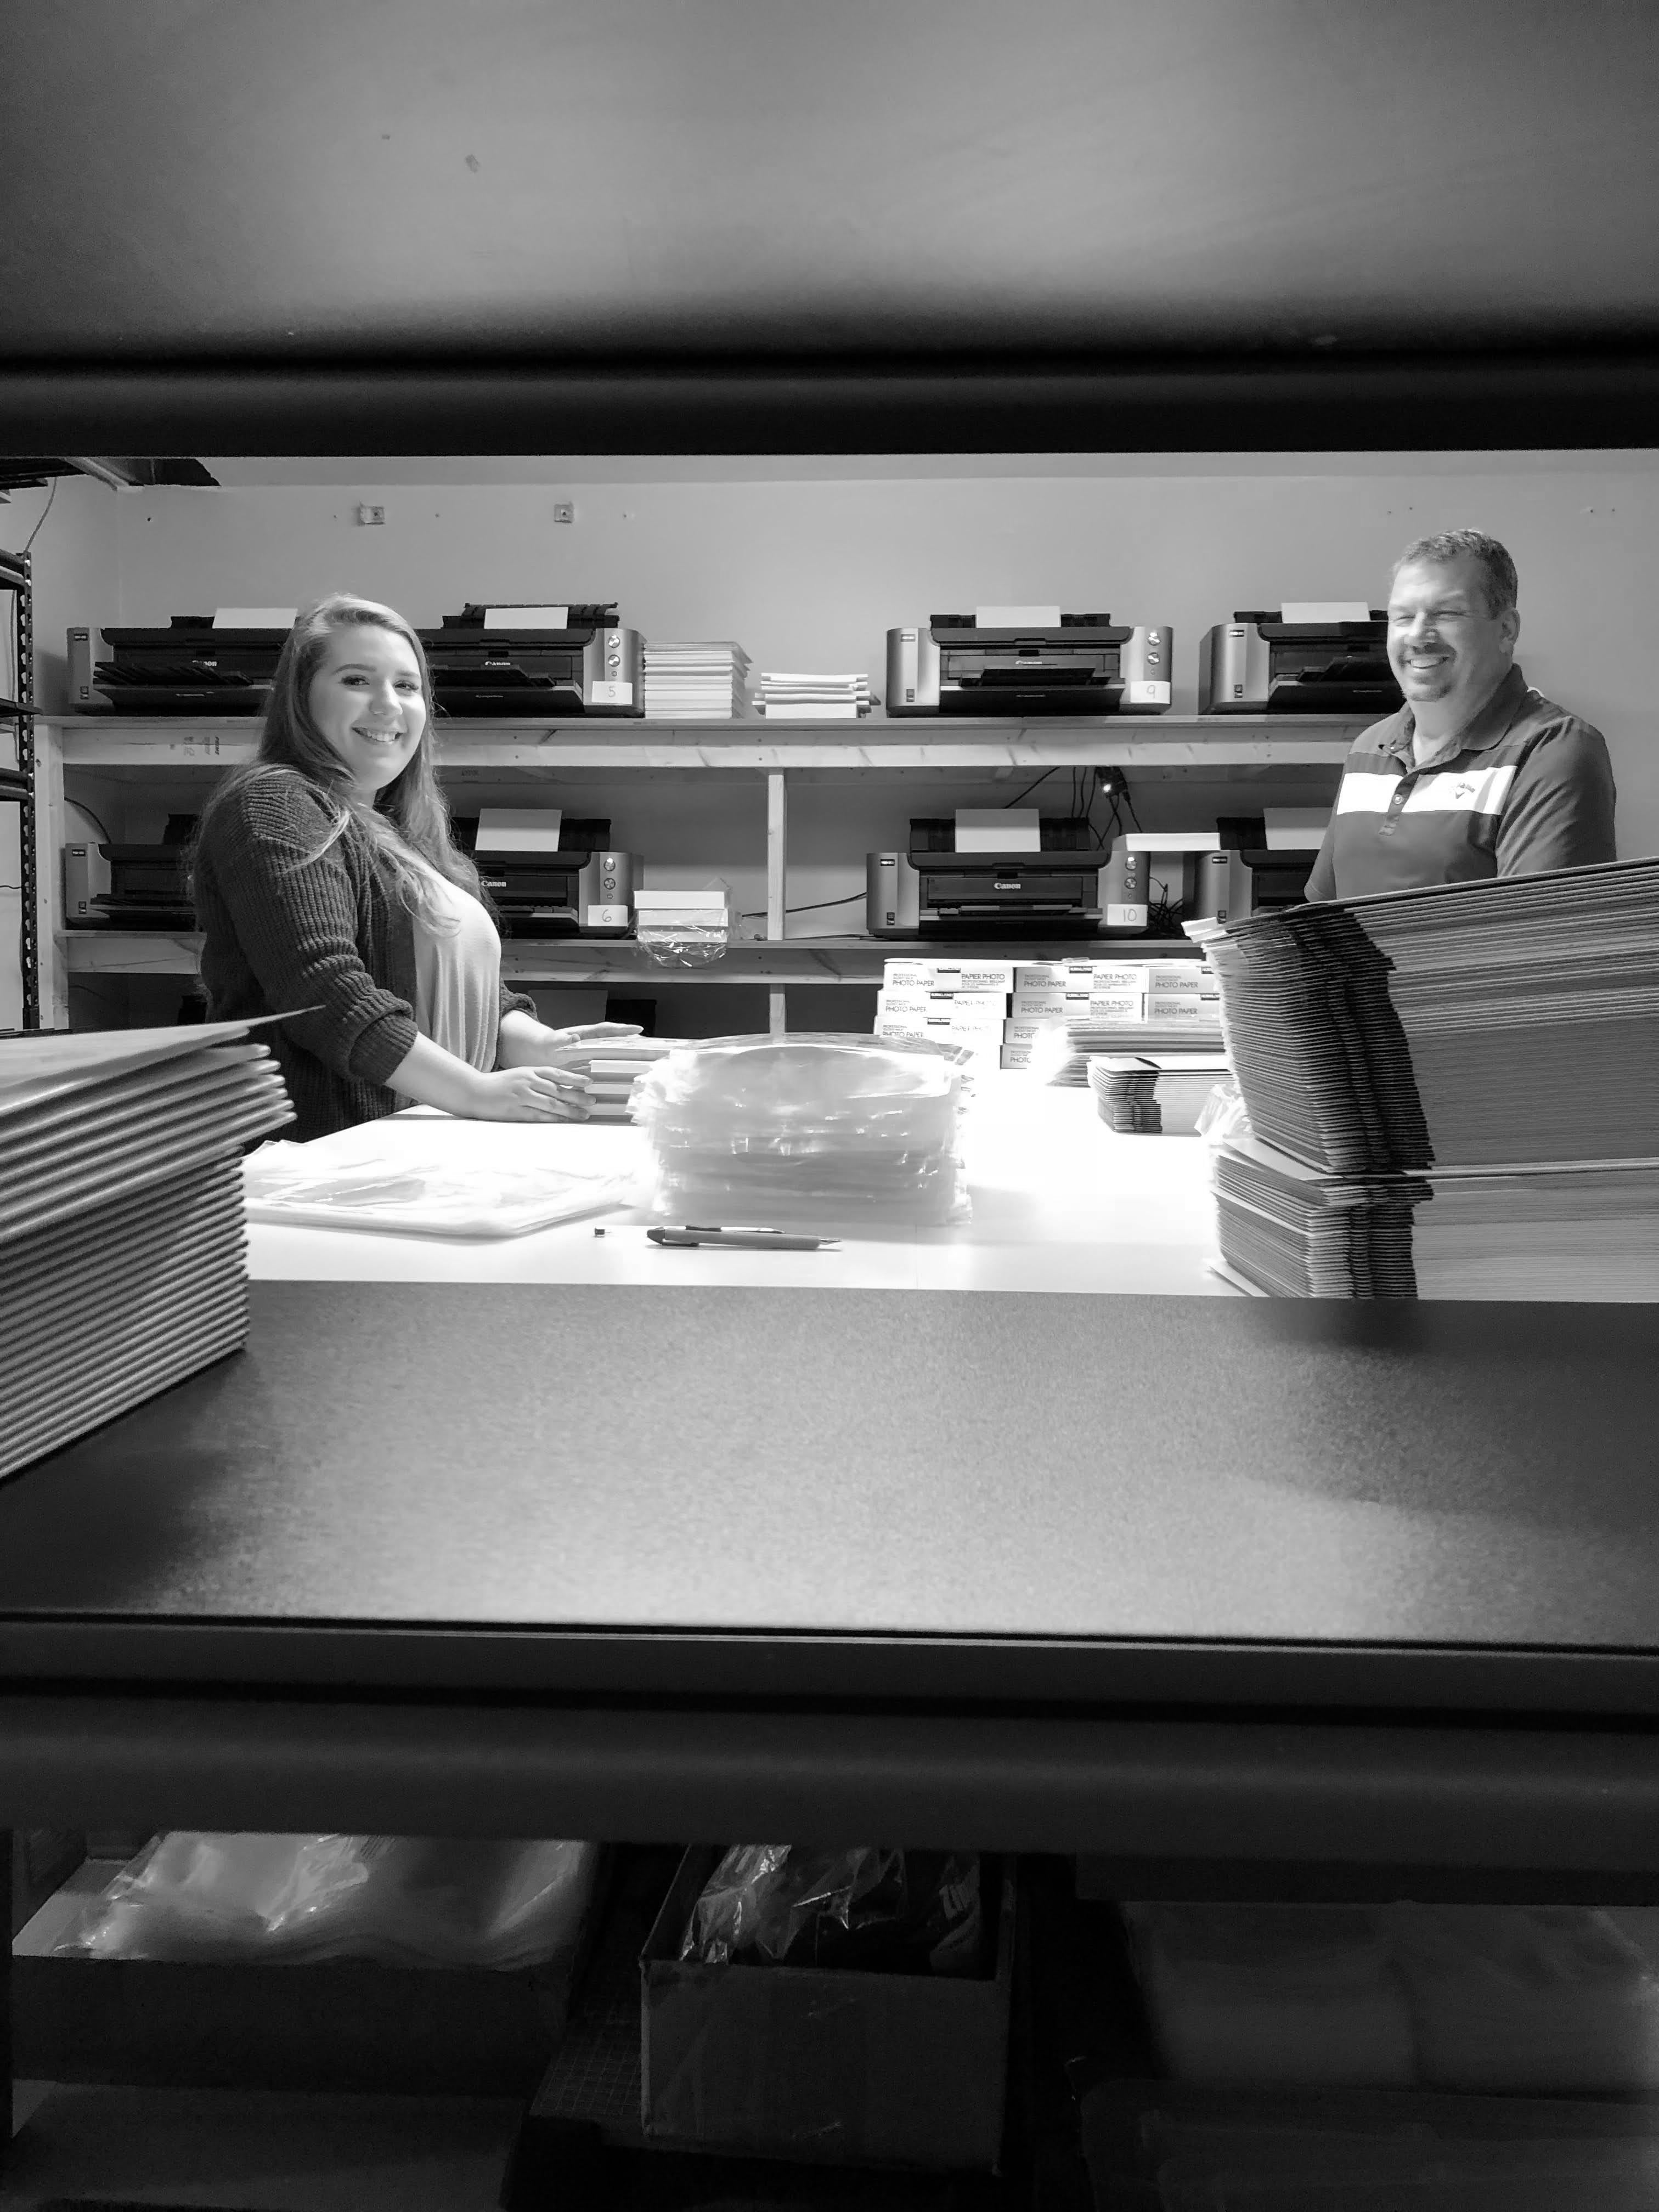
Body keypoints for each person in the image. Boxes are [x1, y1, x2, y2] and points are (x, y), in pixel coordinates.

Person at [193, 592, 640, 1141]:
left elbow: (452, 987)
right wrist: (476, 1092)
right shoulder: (276, 803)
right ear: (301, 698)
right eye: (357, 680)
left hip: (415, 1146)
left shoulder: (392, 830)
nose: (388, 706)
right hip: (320, 1157)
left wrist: (540, 1043)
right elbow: (325, 995)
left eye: (406, 686)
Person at [1305, 530, 1617, 902]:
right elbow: (1324, 911)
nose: (1418, 637)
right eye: (1403, 617)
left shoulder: (1552, 750)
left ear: (1506, 630)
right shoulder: (1370, 748)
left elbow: (1537, 935)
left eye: (1447, 614)